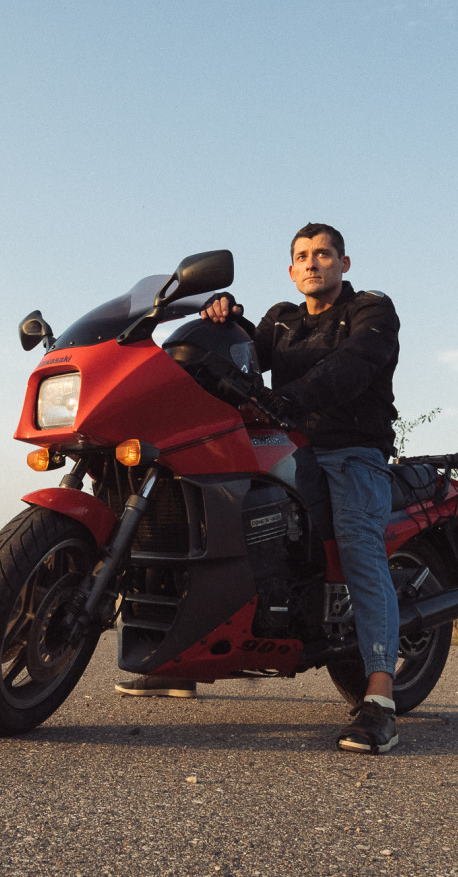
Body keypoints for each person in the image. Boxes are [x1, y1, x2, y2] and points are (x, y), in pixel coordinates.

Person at [116, 223, 403, 754]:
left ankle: (381, 697)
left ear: (344, 263)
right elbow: (245, 352)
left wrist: (291, 398)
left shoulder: (371, 311)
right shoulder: (282, 319)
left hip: (351, 452)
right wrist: (224, 316)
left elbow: (354, 364)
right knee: (206, 513)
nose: (312, 263)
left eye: (323, 254)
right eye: (301, 256)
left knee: (360, 546)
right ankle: (179, 658)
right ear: (291, 270)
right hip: (281, 440)